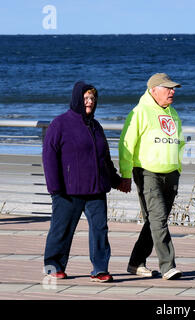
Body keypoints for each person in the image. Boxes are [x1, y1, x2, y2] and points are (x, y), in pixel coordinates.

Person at [42, 81, 122, 283]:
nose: (89, 102)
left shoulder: (96, 126)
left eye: (93, 99)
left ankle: (100, 269)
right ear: (77, 99)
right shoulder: (60, 124)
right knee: (61, 230)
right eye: (86, 98)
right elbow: (49, 157)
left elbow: (104, 158)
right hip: (68, 191)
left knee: (100, 230)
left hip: (96, 190)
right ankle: (54, 267)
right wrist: (55, 188)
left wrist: (116, 181)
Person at [118, 73, 185, 280]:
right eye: (168, 88)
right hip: (147, 172)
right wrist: (126, 173)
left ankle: (136, 263)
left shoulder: (173, 113)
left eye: (173, 88)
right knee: (158, 219)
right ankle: (168, 266)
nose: (172, 91)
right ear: (154, 90)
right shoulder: (140, 112)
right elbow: (126, 144)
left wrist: (178, 168)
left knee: (155, 220)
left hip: (171, 173)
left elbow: (179, 141)